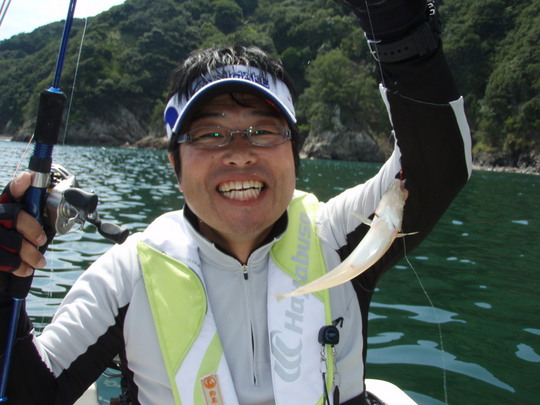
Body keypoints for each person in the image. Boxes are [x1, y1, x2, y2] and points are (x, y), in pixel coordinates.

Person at [0, 0, 472, 404]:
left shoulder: (335, 234)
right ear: (174, 164)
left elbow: (438, 165)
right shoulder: (125, 277)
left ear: (295, 153)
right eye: (210, 134)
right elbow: (28, 392)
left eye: (263, 131)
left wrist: (398, 25)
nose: (240, 153)